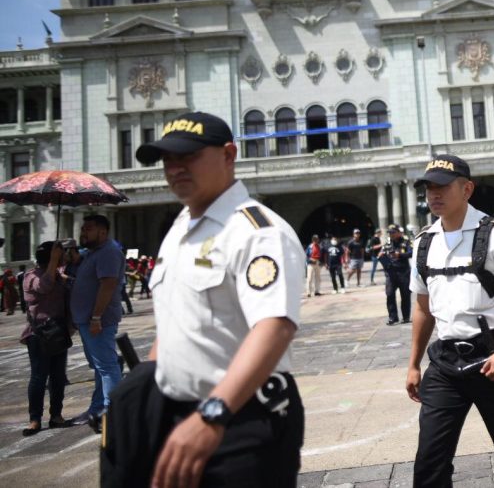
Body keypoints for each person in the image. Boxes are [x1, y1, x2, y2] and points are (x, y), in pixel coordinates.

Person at [101, 111, 305, 488]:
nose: (175, 168)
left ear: (229, 155)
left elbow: (274, 327)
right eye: (167, 160)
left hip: (240, 417)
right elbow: (177, 320)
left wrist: (213, 414)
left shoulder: (257, 232)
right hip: (179, 416)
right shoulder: (181, 228)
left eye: (188, 156)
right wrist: (146, 392)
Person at [406, 154, 494, 487]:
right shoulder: (423, 243)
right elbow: (422, 309)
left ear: (467, 189)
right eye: (428, 189)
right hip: (445, 363)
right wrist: (413, 364)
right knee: (430, 460)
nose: (434, 195)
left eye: (442, 187)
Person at [67, 214, 124, 432]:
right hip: (87, 320)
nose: (83, 232)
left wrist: (97, 317)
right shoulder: (92, 253)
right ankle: (98, 407)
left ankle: (114, 412)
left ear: (103, 232)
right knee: (100, 367)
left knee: (107, 367)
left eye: (88, 229)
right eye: (83, 228)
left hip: (98, 321)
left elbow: (108, 285)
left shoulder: (108, 252)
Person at [20, 241, 72, 435]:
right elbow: (44, 287)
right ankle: (34, 418)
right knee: (39, 377)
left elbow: (74, 284)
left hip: (57, 332)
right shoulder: (31, 276)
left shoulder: (58, 275)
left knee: (58, 377)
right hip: (39, 334)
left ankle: (56, 415)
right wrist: (53, 261)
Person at [383, 224, 412, 325]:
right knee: (390, 294)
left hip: (403, 272)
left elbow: (411, 253)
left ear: (399, 232)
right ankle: (393, 317)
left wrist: (400, 255)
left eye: (393, 232)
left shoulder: (406, 241)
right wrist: (381, 255)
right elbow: (383, 251)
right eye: (390, 233)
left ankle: (406, 317)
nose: (391, 234)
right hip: (390, 273)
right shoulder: (388, 242)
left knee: (405, 295)